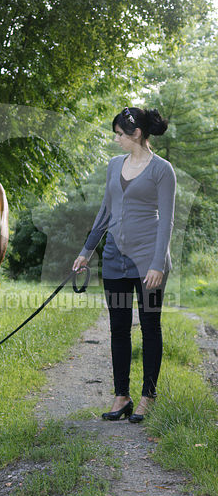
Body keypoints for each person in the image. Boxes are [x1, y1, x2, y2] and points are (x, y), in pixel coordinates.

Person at [72, 106, 176, 423]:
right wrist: (86, 250)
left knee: (149, 328)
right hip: (115, 262)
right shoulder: (114, 165)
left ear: (137, 134)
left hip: (149, 264)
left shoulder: (162, 170)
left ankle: (148, 396)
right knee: (118, 329)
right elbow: (105, 211)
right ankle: (122, 395)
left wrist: (158, 263)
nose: (116, 140)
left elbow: (167, 223)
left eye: (119, 134)